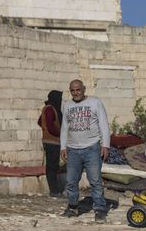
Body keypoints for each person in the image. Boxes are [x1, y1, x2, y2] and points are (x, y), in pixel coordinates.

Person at [60, 79, 110, 223]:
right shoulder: (67, 105)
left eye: (78, 90)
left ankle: (100, 210)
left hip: (92, 148)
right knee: (71, 181)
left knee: (95, 181)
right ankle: (73, 207)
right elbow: (64, 128)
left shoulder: (95, 102)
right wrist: (63, 147)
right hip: (73, 149)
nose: (76, 93)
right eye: (73, 91)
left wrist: (105, 145)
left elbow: (104, 125)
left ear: (84, 89)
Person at [38, 90, 64, 197]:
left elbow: (40, 122)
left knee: (54, 166)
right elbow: (49, 125)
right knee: (52, 167)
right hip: (52, 142)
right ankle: (54, 191)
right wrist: (59, 134)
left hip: (53, 141)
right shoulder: (50, 109)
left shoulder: (51, 108)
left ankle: (55, 190)